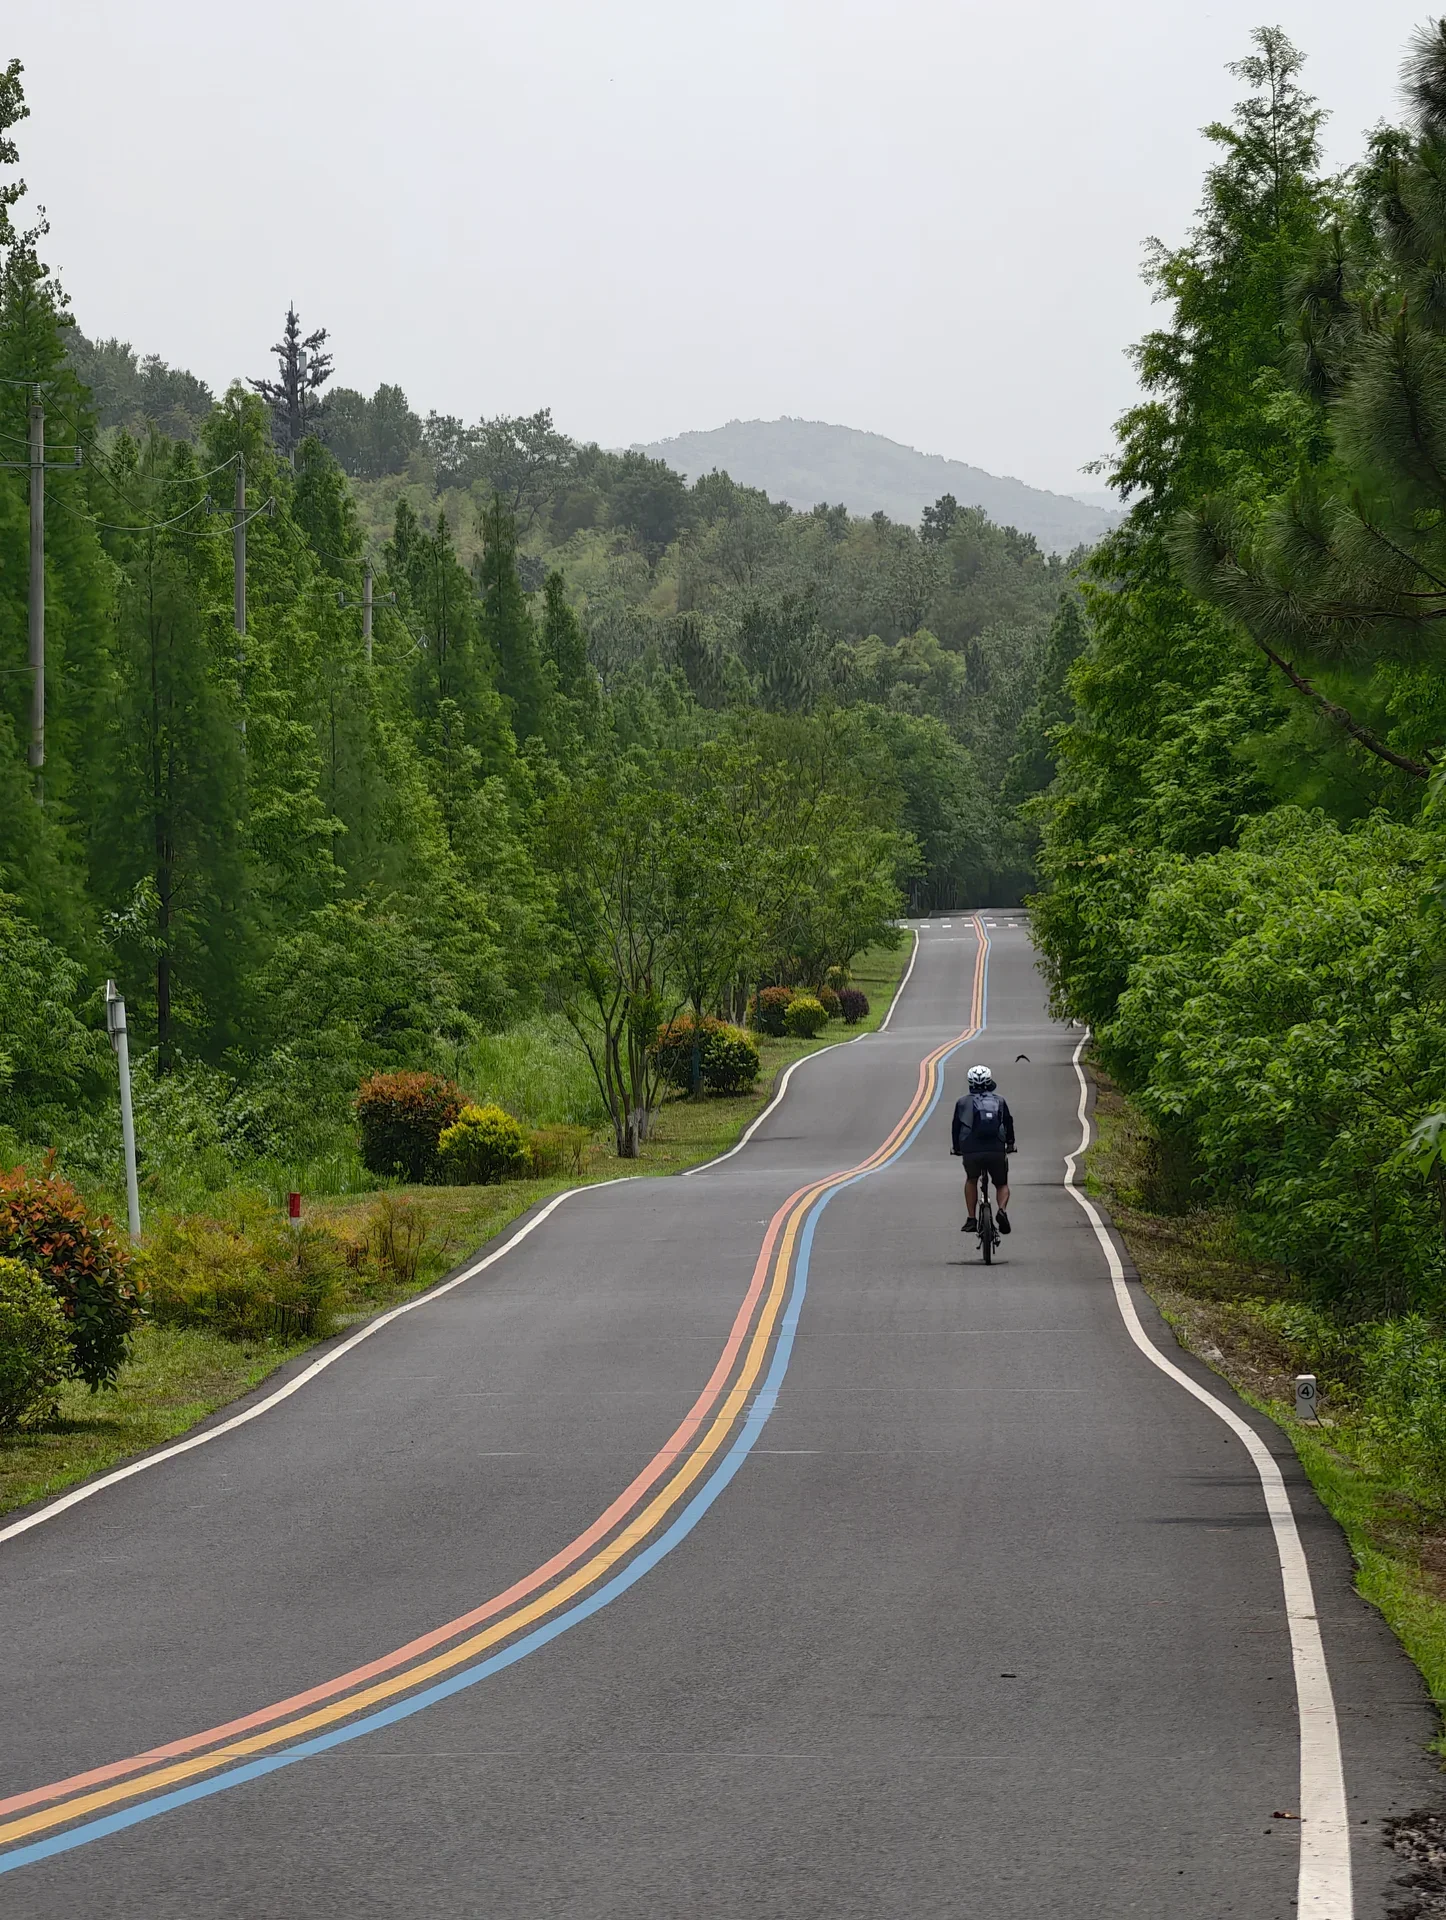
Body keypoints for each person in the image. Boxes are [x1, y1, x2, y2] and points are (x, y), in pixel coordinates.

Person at [951, 1063, 1016, 1234]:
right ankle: (1001, 1210)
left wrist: (957, 1148)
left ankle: (971, 1219)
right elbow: (1008, 1123)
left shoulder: (962, 1102)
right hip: (996, 1149)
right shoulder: (999, 1101)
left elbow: (956, 1128)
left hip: (971, 1150)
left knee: (972, 1179)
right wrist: (1010, 1144)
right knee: (1001, 1184)